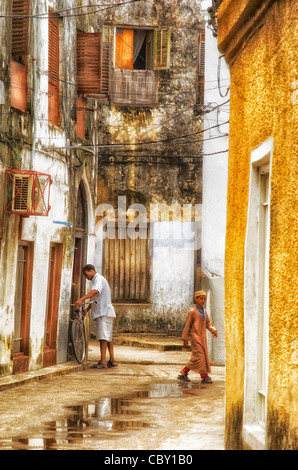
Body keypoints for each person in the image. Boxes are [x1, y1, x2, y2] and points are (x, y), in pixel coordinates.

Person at [75, 264, 118, 369]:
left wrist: (82, 299)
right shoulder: (97, 280)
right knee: (108, 337)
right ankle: (112, 360)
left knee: (103, 338)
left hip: (104, 313)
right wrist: (87, 310)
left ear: (91, 271)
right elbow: (95, 300)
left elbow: (95, 292)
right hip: (106, 312)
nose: (86, 277)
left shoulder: (98, 279)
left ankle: (103, 362)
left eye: (86, 274)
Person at [177, 290, 217, 384]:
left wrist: (213, 330)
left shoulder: (204, 311)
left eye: (204, 299)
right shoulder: (192, 312)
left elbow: (208, 323)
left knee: (197, 357)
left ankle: (184, 372)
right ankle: (204, 376)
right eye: (201, 298)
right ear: (196, 299)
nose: (203, 300)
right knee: (200, 357)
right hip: (196, 337)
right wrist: (185, 338)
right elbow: (187, 325)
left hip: (202, 337)